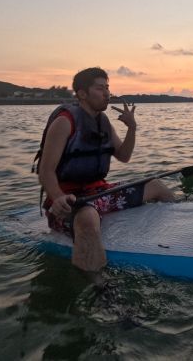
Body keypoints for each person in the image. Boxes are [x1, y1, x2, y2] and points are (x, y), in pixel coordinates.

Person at [37, 67, 174, 271]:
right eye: (100, 88)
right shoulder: (65, 122)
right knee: (87, 219)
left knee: (156, 186)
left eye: (107, 88)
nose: (107, 93)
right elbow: (45, 171)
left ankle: (185, 224)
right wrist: (57, 197)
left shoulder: (103, 122)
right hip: (70, 201)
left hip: (100, 192)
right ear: (82, 94)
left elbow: (124, 156)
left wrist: (132, 128)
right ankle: (100, 287)